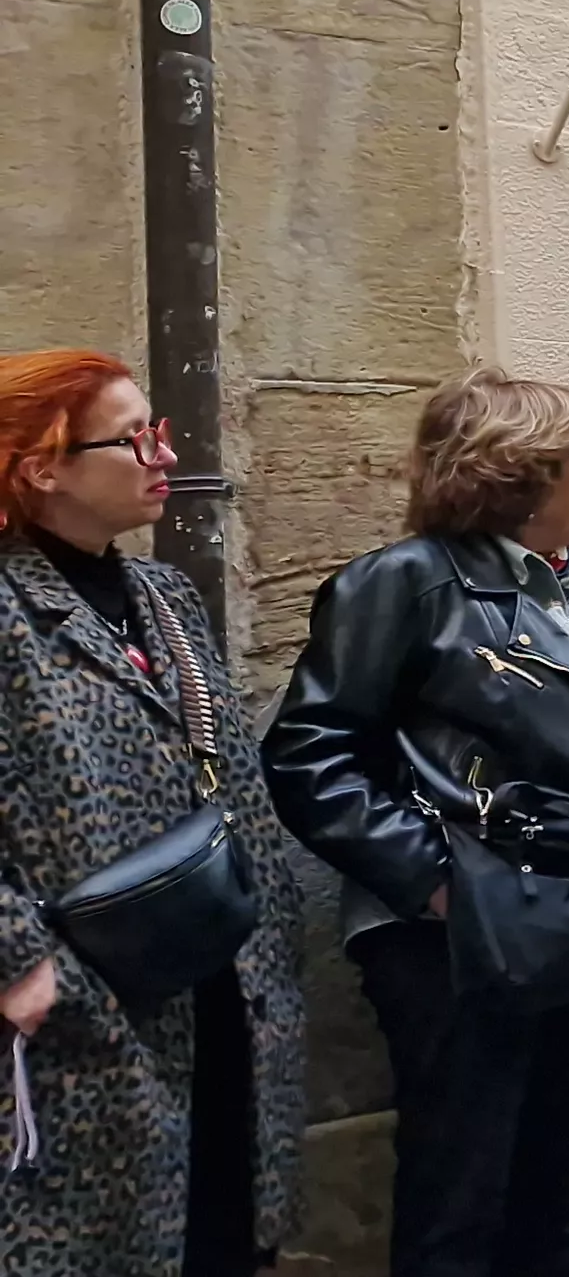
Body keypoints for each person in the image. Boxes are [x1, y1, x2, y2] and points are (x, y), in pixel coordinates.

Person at [263, 368, 569, 1277]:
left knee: (554, 1199)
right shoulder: (402, 583)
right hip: (452, 940)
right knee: (461, 1207)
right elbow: (309, 755)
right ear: (520, 470)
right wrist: (438, 882)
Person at [0, 351, 307, 1277]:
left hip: (223, 983)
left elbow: (236, 783)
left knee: (220, 1221)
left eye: (160, 430)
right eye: (135, 437)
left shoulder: (163, 596)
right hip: (83, 1013)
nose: (162, 453)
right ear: (43, 468)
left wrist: (272, 924)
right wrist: (19, 962)